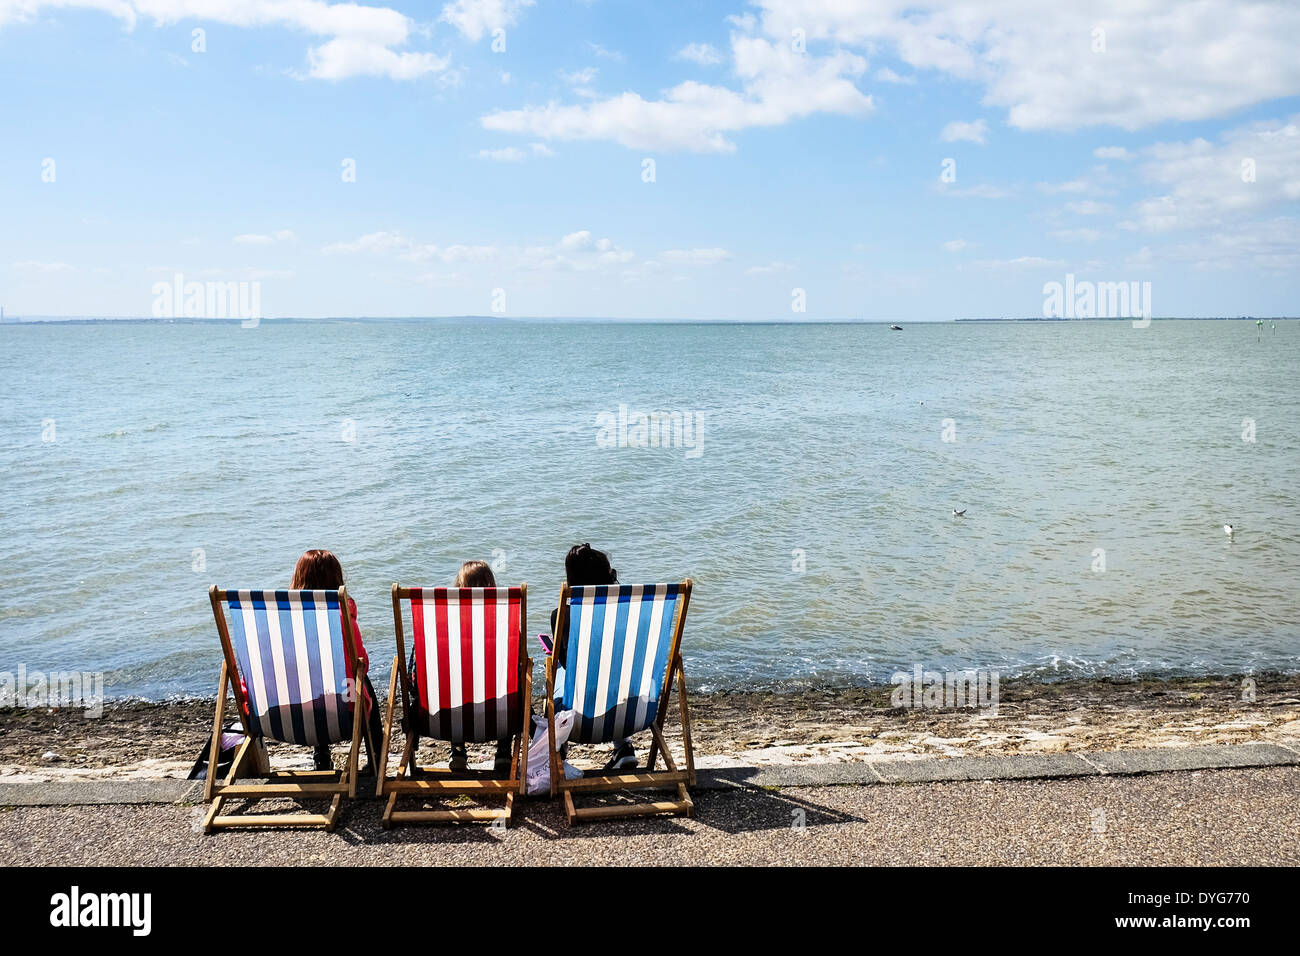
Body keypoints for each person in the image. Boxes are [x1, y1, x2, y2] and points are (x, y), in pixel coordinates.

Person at [289, 549, 383, 775]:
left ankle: (321, 756)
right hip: (344, 716)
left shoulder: (282, 616)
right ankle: (375, 761)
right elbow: (361, 663)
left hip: (292, 716)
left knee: (310, 679)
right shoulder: (341, 615)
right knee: (360, 678)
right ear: (336, 579)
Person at [550, 543, 637, 771]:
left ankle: (560, 748)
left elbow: (568, 664)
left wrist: (557, 654)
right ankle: (624, 747)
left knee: (559, 670)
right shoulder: (630, 611)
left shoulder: (561, 615)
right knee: (616, 672)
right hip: (630, 712)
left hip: (581, 717)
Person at [444, 561, 515, 775]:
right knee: (509, 683)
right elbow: (517, 661)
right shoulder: (504, 622)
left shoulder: (445, 624)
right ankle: (503, 752)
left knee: (452, 683)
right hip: (499, 713)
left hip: (454, 711)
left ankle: (457, 750)